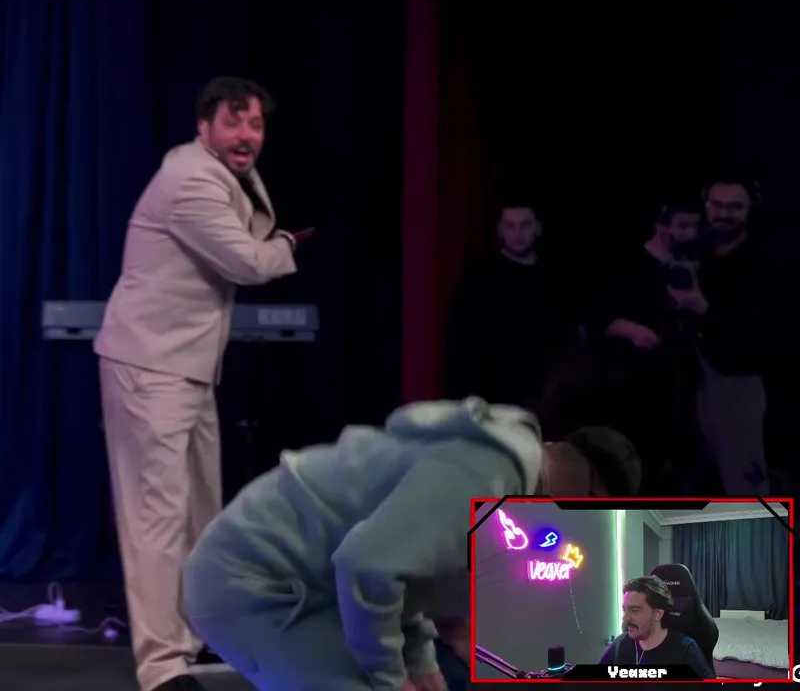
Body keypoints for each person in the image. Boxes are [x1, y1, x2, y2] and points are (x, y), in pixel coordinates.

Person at [181, 397, 640, 691]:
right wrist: (390, 680)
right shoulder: (488, 477)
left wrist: (421, 666)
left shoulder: (508, 481)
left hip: (312, 586)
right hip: (253, 583)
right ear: (591, 495)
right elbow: (368, 566)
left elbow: (411, 579)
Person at [94, 77, 311, 691]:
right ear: (204, 127)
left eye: (255, 125)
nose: (247, 136)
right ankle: (160, 665)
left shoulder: (226, 174)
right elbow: (248, 261)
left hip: (186, 365)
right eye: (233, 122)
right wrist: (287, 245)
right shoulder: (191, 178)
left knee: (199, 513)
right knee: (157, 517)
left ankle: (191, 635)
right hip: (150, 365)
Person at [595, 200, 704, 493]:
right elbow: (599, 319)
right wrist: (633, 330)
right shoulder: (630, 266)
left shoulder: (697, 264)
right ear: (661, 227)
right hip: (640, 384)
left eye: (695, 226)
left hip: (686, 381)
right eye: (682, 226)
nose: (690, 234)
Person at [681, 177, 772, 494]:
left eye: (734, 207)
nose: (723, 214)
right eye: (717, 205)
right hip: (693, 380)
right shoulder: (696, 254)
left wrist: (704, 308)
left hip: (739, 383)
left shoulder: (762, 263)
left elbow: (762, 330)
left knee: (745, 481)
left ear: (750, 210)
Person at [444, 206, 573, 410]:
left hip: (541, 393)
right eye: (510, 226)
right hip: (490, 391)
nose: (517, 233)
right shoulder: (479, 279)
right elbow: (461, 341)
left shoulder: (554, 279)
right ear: (500, 230)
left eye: (525, 225)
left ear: (538, 228)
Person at [599, 576, 716, 679]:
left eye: (634, 610)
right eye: (625, 610)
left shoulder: (685, 650)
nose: (625, 618)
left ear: (657, 614)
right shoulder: (620, 644)